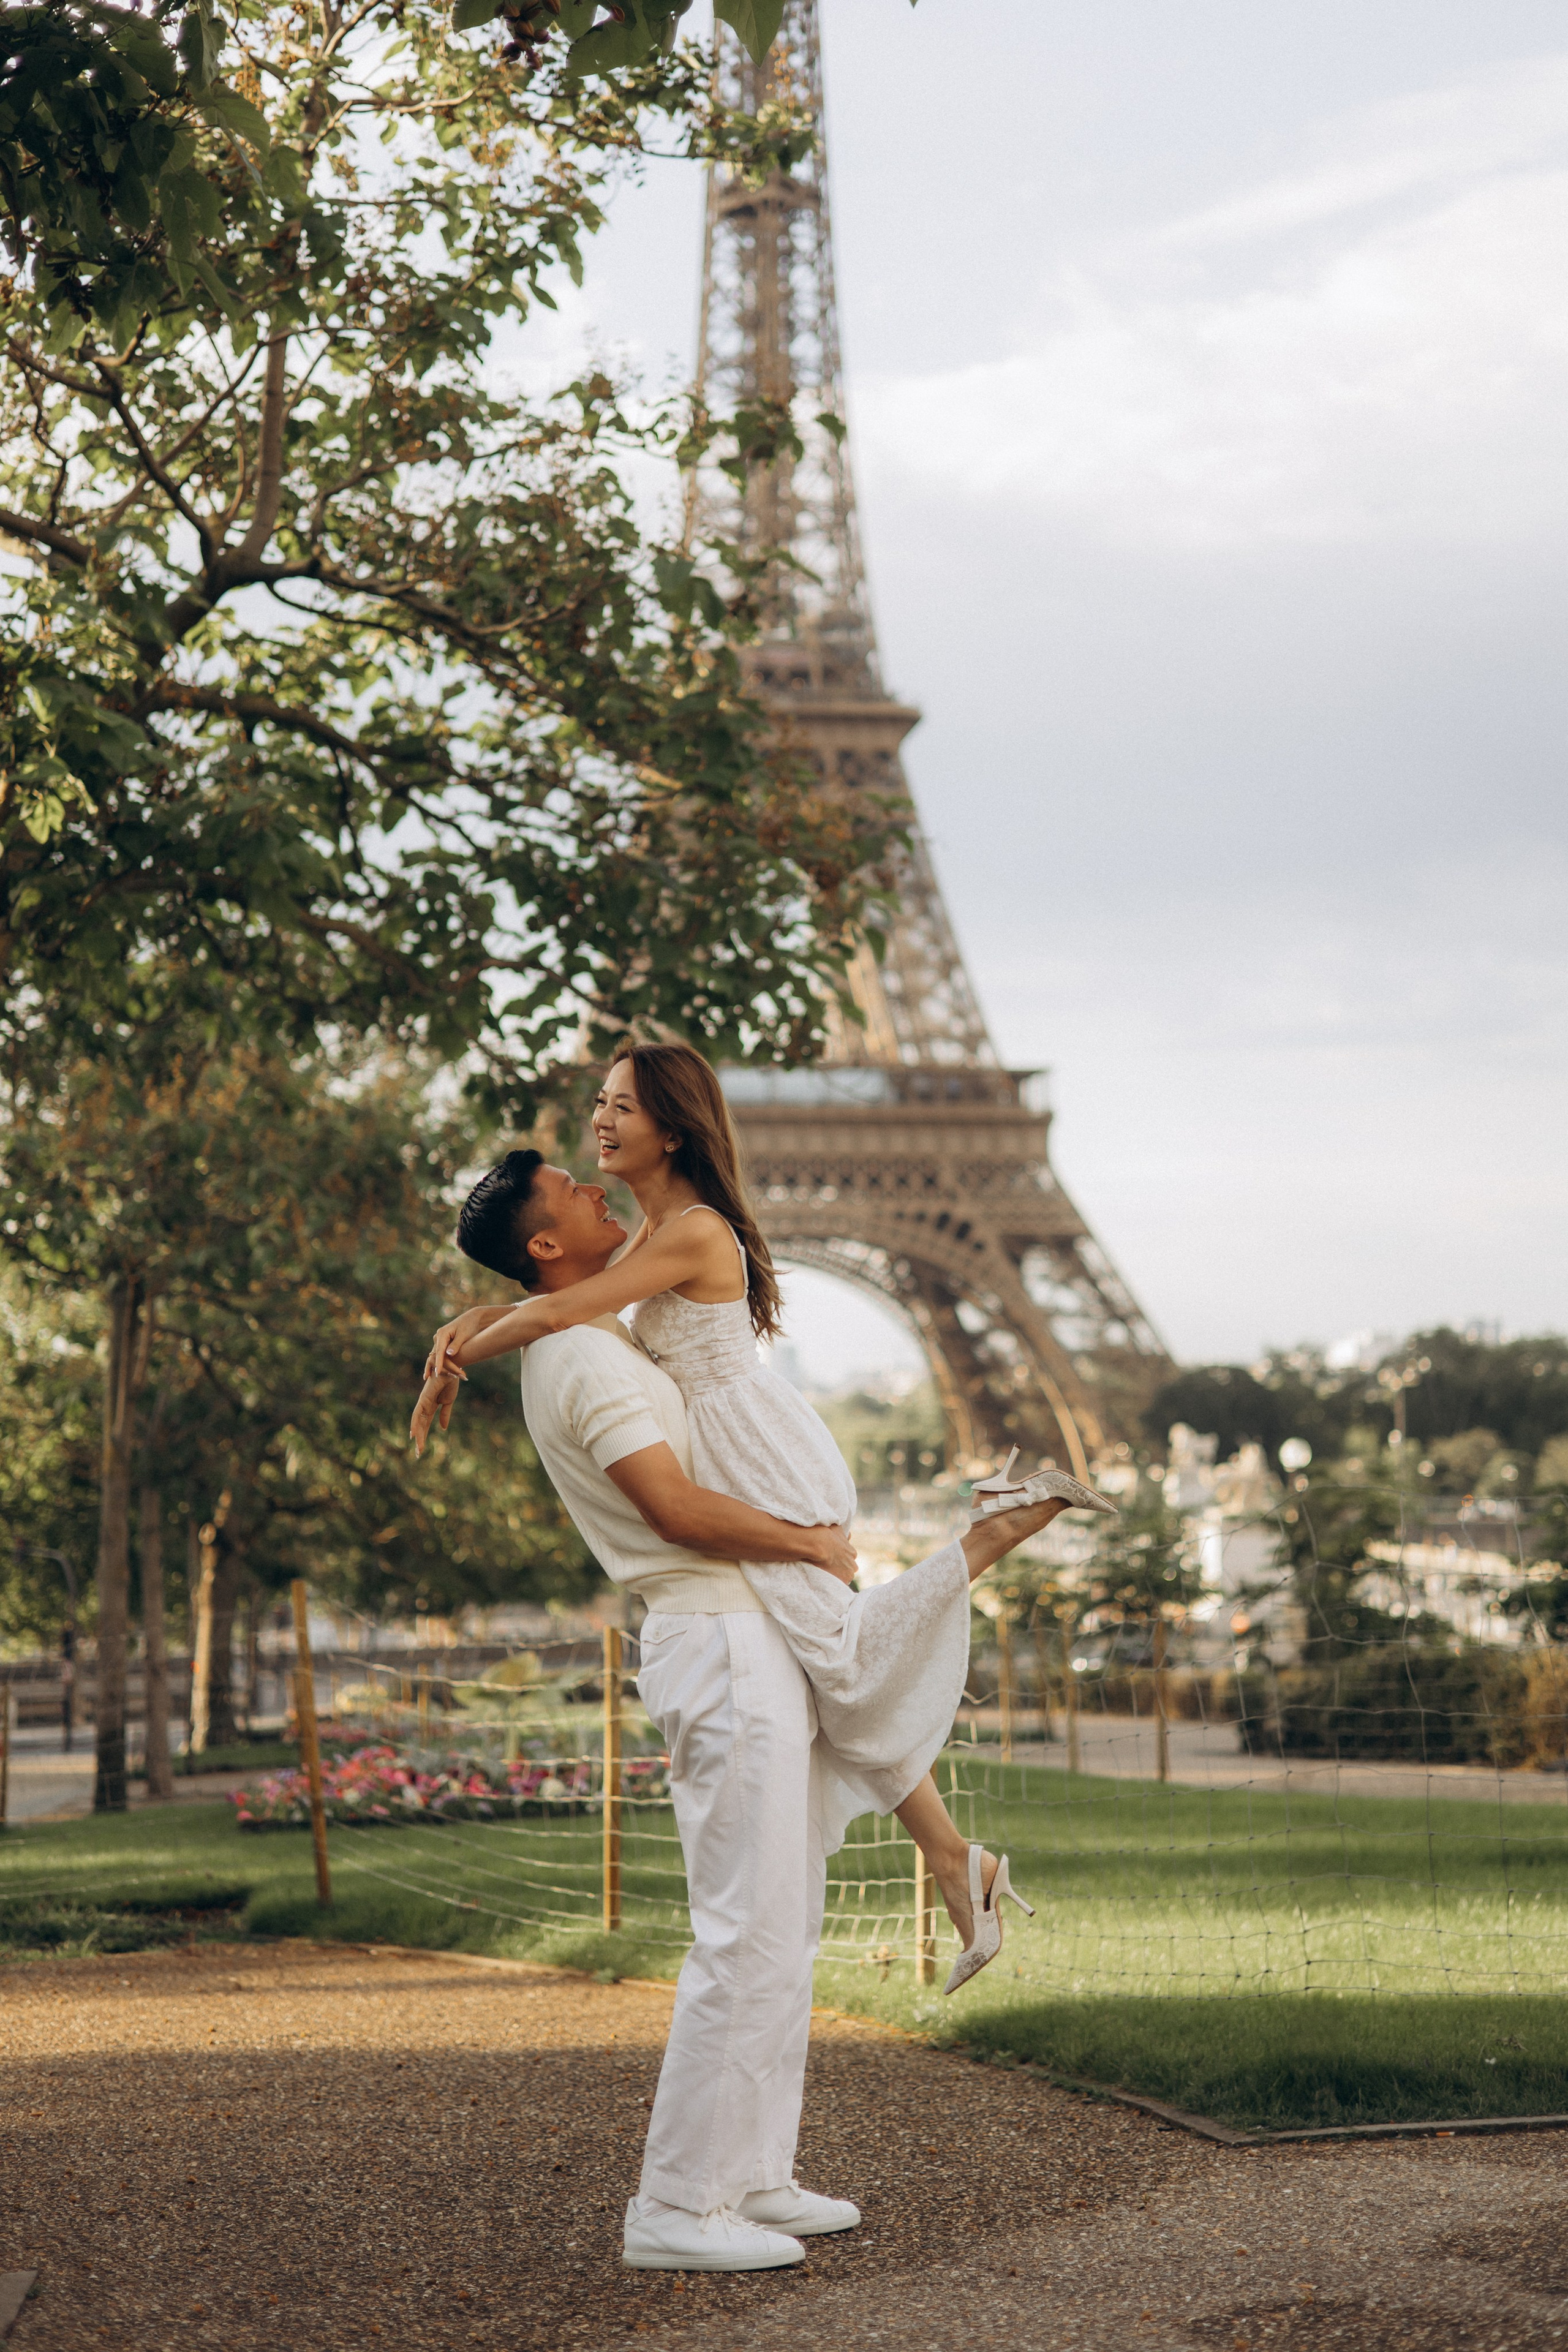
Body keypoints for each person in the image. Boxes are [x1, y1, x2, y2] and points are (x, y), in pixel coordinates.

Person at [409, 1162, 1081, 2272]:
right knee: (742, 1931)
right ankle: (674, 2207)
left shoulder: (585, 1323)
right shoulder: (581, 1350)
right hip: (718, 1635)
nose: (593, 1183)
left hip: (737, 1632)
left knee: (780, 1922)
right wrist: (808, 1542)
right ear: (549, 1243)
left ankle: (751, 2175)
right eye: (574, 1188)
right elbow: (670, 1505)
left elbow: (531, 1310)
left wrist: (461, 1333)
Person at [415, 1041, 1114, 1988]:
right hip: (743, 1448)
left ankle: (988, 1536)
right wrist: (462, 1323)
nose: (602, 1123)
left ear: (672, 1127)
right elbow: (559, 1298)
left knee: (842, 1660)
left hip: (757, 1451)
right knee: (836, 1674)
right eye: (600, 1101)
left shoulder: (691, 1232)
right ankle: (957, 1860)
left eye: (622, 1107)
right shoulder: (652, 1236)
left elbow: (551, 1312)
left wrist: (456, 1354)